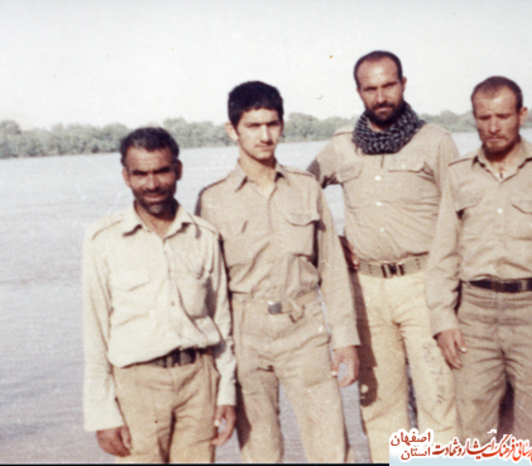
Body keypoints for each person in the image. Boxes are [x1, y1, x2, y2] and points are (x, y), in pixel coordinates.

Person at [196, 81, 360, 463]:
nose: (265, 135)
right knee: (261, 449)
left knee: (332, 446)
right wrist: (216, 359)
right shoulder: (212, 199)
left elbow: (332, 269)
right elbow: (207, 288)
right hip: (245, 334)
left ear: (282, 125)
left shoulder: (305, 188)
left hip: (304, 327)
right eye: (253, 126)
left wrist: (345, 339)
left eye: (272, 124)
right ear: (232, 130)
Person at [308, 50, 458, 462]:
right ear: (359, 92)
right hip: (366, 290)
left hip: (424, 286)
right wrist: (330, 241)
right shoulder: (341, 146)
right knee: (378, 405)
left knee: (439, 399)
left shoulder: (436, 142)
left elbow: (461, 216)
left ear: (403, 84)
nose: (381, 96)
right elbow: (300, 194)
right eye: (370, 88)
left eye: (389, 85)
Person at [427, 76, 532, 443]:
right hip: (474, 317)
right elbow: (443, 255)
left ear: (521, 115)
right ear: (475, 118)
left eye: (503, 116)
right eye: (484, 117)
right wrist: (443, 319)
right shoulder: (459, 174)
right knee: (473, 432)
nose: (493, 127)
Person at [82, 127, 236, 463]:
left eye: (162, 171)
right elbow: (95, 332)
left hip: (199, 382)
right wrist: (102, 414)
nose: (152, 184)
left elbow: (221, 322)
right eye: (140, 174)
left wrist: (226, 393)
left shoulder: (204, 236)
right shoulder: (103, 240)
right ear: (126, 176)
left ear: (177, 170)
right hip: (137, 386)